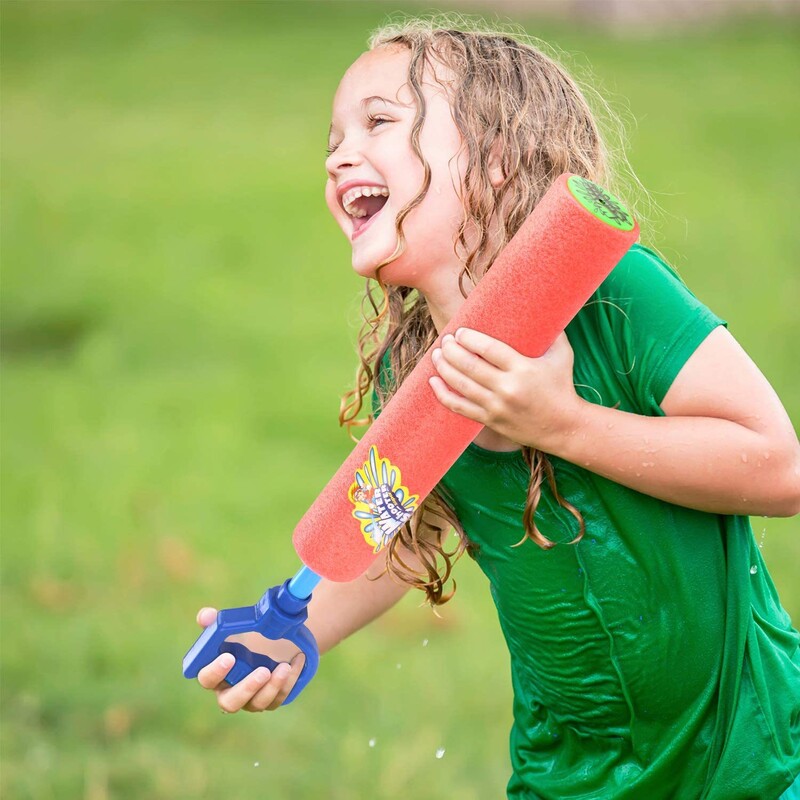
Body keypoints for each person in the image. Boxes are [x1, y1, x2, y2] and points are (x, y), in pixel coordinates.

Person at [192, 17, 800, 800]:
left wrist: (562, 425)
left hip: (750, 755)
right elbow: (398, 536)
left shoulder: (615, 297)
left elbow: (778, 466)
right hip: (566, 776)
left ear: (500, 157)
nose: (340, 154)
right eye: (334, 138)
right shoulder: (413, 378)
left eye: (379, 121)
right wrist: (298, 628)